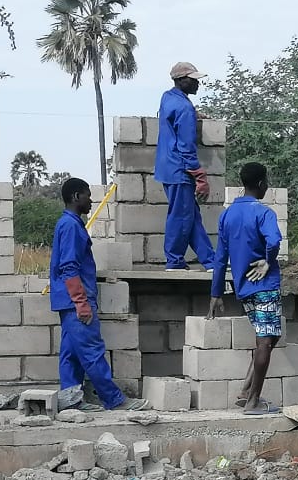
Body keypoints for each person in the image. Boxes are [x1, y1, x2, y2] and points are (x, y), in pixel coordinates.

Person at [49, 178, 150, 411]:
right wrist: (81, 303)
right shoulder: (72, 226)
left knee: (71, 354)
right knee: (92, 351)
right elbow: (69, 267)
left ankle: (70, 400)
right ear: (76, 197)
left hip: (66, 301)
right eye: (87, 195)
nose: (91, 200)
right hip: (76, 301)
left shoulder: (68, 224)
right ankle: (114, 399)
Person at [208, 162, 283, 415]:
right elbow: (274, 241)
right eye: (267, 182)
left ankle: (245, 391)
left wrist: (216, 293)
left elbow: (220, 258)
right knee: (265, 342)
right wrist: (267, 261)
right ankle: (253, 402)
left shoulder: (227, 215)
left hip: (243, 288)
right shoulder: (264, 213)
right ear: (261, 184)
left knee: (272, 335)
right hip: (264, 285)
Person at [154, 61, 215, 271]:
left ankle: (210, 261)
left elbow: (170, 117)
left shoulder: (168, 98)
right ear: (182, 81)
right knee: (180, 216)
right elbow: (186, 146)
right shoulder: (184, 108)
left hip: (166, 168)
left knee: (191, 216)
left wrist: (193, 114)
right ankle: (174, 261)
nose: (198, 83)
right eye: (194, 80)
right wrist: (199, 175)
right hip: (180, 170)